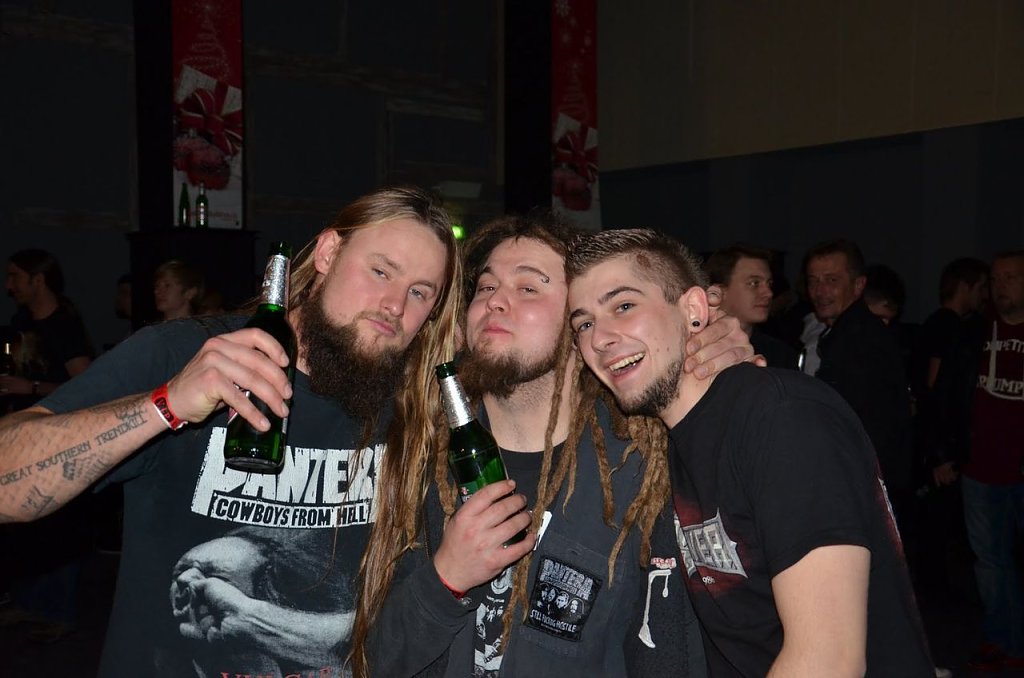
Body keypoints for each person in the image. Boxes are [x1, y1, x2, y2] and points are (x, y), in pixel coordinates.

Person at [0, 186, 464, 676]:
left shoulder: (417, 410)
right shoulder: (185, 355)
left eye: (420, 292)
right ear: (329, 253)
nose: (394, 305)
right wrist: (167, 404)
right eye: (381, 271)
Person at [361, 215, 753, 677]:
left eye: (529, 287)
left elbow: (672, 654)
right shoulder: (420, 459)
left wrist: (706, 345)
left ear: (580, 323)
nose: (495, 301)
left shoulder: (641, 471)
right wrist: (445, 579)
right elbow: (374, 660)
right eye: (486, 287)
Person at [566, 228, 934, 676]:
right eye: (584, 324)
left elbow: (828, 661)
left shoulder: (784, 418)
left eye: (624, 306)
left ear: (695, 310)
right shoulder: (670, 441)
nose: (600, 338)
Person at [0, 248, 96, 640]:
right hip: (26, 430)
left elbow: (87, 385)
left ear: (37, 280)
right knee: (26, 521)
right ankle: (29, 603)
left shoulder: (64, 325)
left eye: (15, 276)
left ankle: (57, 612)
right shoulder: (21, 321)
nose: (9, 286)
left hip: (57, 434)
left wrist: (33, 387)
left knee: (56, 521)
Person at [805, 240, 914, 504]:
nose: (820, 291)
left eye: (832, 280)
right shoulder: (844, 333)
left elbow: (854, 425)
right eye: (813, 281)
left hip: (862, 484)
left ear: (858, 285)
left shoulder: (858, 341)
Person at [961, 251, 1024, 671]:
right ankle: (1003, 637)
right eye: (996, 278)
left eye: (1011, 277)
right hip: (980, 467)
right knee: (989, 562)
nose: (1001, 286)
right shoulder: (976, 331)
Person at [704, 244, 798, 369]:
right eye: (754, 283)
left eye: (769, 283)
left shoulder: (781, 355)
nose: (769, 293)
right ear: (719, 292)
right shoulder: (693, 347)